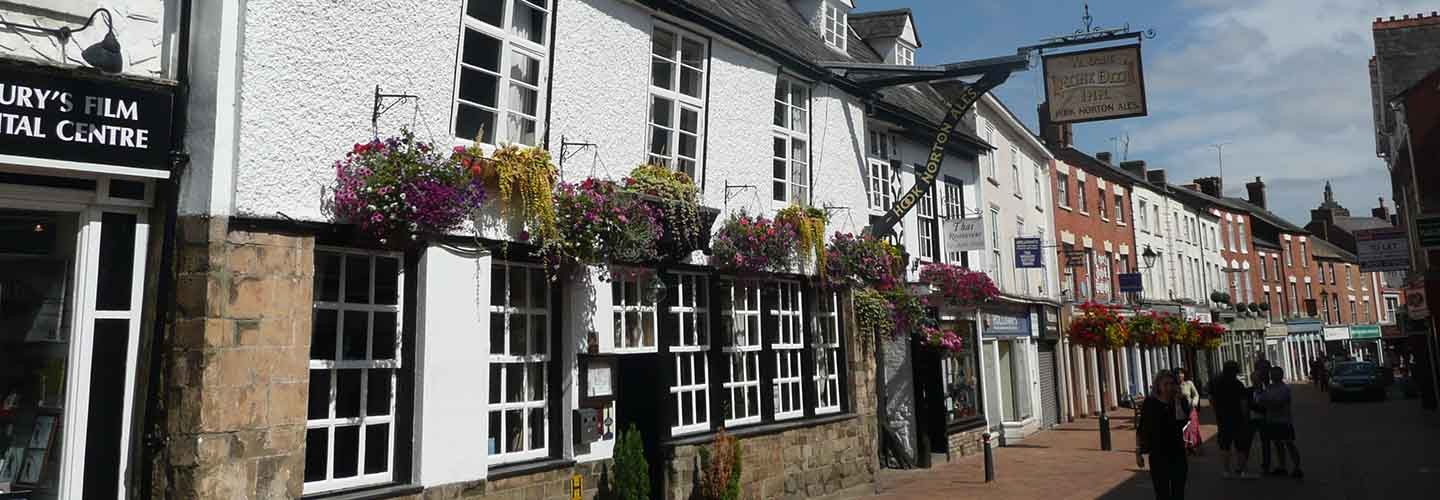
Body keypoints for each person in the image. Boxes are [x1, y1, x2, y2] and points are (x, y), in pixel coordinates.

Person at [1138, 370, 1191, 500]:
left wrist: (1178, 402)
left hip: (1177, 453)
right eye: (1165, 384)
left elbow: (1182, 421)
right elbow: (1142, 428)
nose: (1169, 387)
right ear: (1158, 385)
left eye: (1172, 384)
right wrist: (1138, 451)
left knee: (1178, 494)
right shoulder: (1150, 403)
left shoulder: (1180, 401)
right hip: (1158, 456)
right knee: (1162, 494)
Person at [1208, 361, 1255, 479]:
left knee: (1225, 445)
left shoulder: (1216, 384)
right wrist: (1245, 417)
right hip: (1237, 418)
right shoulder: (1238, 385)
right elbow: (1243, 403)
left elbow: (1211, 399)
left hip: (1222, 418)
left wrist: (1216, 412)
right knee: (1241, 446)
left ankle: (1226, 471)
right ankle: (1242, 470)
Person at [1259, 366, 1304, 478]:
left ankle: (1297, 467)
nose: (1272, 376)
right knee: (1277, 444)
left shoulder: (1285, 388)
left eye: (1274, 374)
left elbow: (1278, 403)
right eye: (1271, 374)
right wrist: (1268, 402)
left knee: (1289, 443)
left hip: (1284, 421)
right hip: (1272, 420)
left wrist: (1268, 402)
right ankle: (1282, 466)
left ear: (1280, 375)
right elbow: (1262, 400)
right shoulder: (1269, 388)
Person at [1177, 368, 1202, 455]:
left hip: (1190, 409)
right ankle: (1187, 446)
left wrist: (1194, 402)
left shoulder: (1189, 383)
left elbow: (1196, 394)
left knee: (1193, 428)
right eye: (1178, 374)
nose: (1180, 375)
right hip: (1180, 411)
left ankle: (1193, 446)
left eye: (1181, 373)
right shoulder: (1174, 386)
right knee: (1184, 429)